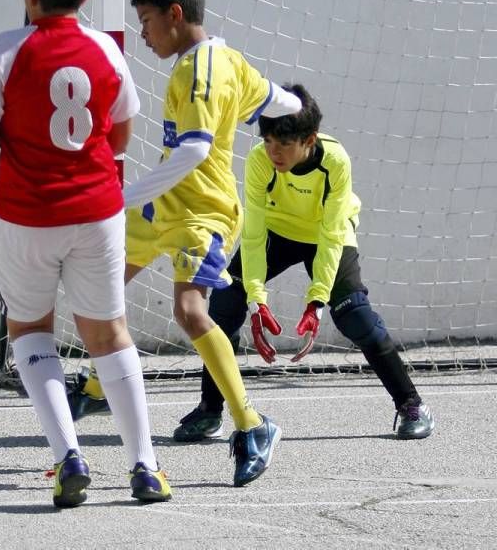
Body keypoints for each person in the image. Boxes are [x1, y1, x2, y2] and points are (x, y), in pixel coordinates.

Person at [69, 0, 302, 487]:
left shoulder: (196, 71)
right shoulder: (231, 60)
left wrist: (122, 195)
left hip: (204, 214)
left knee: (189, 309)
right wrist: (299, 111)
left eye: (148, 22)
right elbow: (281, 101)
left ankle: (253, 424)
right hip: (162, 211)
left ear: (175, 15)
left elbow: (196, 149)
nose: (145, 34)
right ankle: (96, 390)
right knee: (100, 285)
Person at [0, 0, 171, 508]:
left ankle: (68, 456)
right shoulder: (106, 49)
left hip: (27, 216)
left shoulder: (3, 51)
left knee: (30, 331)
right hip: (98, 213)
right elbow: (122, 135)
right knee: (109, 334)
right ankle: (145, 467)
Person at [173, 83, 435, 443]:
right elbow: (253, 234)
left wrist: (317, 300)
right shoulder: (260, 162)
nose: (273, 151)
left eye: (283, 143)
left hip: (327, 234)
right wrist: (257, 299)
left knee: (354, 314)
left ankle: (411, 404)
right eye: (267, 140)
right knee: (224, 303)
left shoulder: (335, 162)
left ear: (309, 139)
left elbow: (331, 235)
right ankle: (210, 410)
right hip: (278, 232)